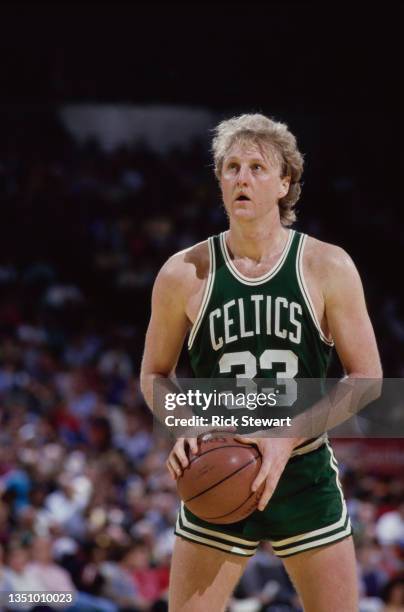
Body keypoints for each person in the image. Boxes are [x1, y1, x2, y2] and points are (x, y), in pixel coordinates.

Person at [141, 114, 382, 611]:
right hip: (219, 460)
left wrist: (285, 435)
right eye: (231, 168)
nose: (241, 178)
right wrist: (182, 419)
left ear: (285, 183)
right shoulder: (183, 273)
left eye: (256, 167)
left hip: (303, 470)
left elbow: (367, 379)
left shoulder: (326, 265)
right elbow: (154, 374)